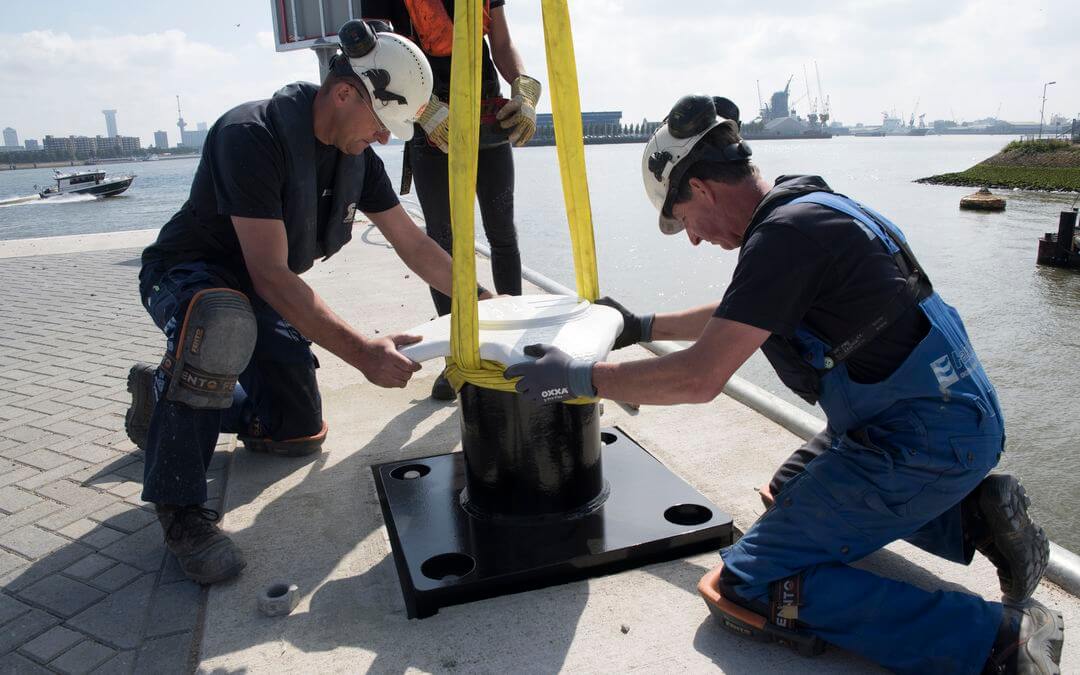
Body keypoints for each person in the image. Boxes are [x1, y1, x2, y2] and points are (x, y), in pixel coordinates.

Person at [504, 94, 1063, 674]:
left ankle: (997, 641)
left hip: (921, 440)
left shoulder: (784, 238)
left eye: (683, 222)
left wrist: (577, 378)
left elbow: (699, 378)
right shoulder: (805, 210)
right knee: (789, 489)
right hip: (938, 417)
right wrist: (638, 325)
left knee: (750, 578)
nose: (692, 239)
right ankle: (975, 516)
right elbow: (743, 310)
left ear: (700, 189)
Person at [124, 22, 488, 585]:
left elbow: (413, 243)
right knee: (220, 326)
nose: (385, 139)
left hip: (256, 288)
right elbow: (271, 273)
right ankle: (181, 511)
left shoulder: (356, 158)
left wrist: (485, 301)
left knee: (296, 432)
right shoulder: (250, 135)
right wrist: (362, 351)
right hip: (190, 276)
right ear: (344, 93)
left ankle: (165, 396)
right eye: (381, 123)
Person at [362, 0, 540, 400]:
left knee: (502, 232)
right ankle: (457, 355)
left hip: (485, 104)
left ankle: (513, 346)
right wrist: (422, 108)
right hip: (426, 110)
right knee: (443, 238)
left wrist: (523, 87)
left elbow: (502, 40)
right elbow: (377, 57)